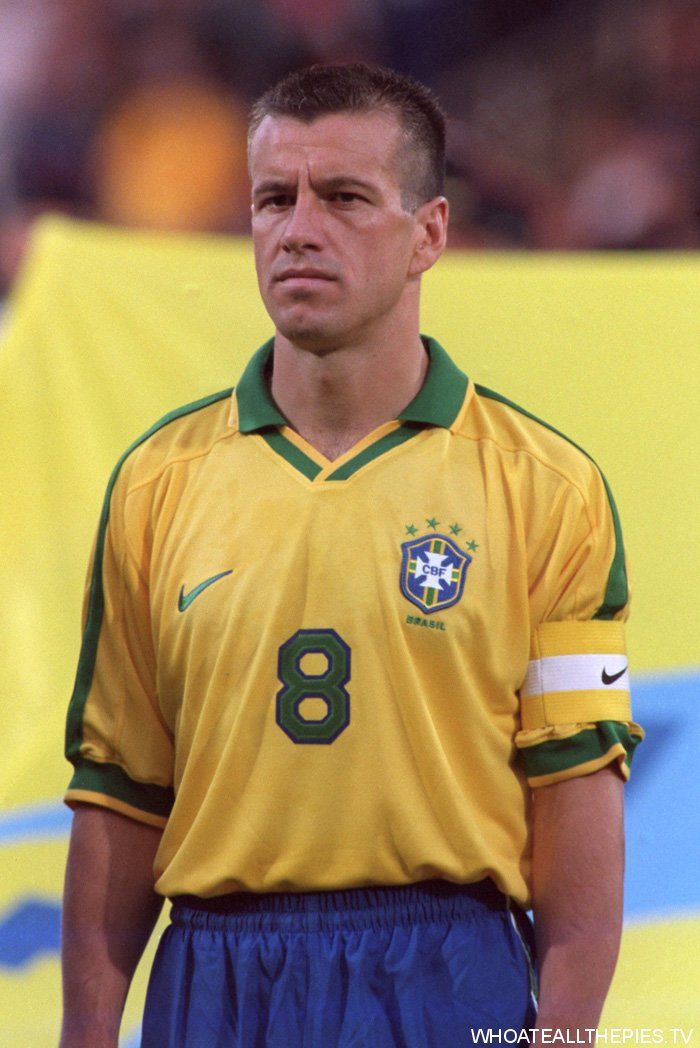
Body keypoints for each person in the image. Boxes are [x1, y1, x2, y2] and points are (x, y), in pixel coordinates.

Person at [60, 63, 643, 1048]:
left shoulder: (548, 488)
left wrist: (566, 1033)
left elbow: (576, 793)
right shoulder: (157, 482)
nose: (298, 229)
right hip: (214, 978)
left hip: (448, 971)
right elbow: (120, 794)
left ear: (429, 233)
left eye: (342, 197)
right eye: (272, 199)